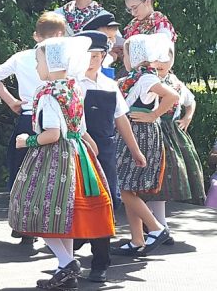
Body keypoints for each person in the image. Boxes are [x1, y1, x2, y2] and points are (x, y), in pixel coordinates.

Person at [9, 36, 115, 290]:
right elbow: (79, 126)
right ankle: (64, 270)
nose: (36, 67)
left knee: (37, 210)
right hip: (78, 153)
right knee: (65, 216)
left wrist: (27, 141)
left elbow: (52, 134)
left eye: (39, 61)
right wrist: (89, 143)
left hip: (54, 156)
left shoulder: (48, 94)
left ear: (52, 62)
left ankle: (67, 263)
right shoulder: (74, 87)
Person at [0, 11, 65, 244]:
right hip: (55, 120)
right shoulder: (63, 57)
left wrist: (11, 102)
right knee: (52, 171)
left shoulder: (22, 57)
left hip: (28, 117)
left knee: (21, 169)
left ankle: (23, 223)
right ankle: (48, 224)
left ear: (35, 35)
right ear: (61, 34)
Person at [74, 30, 147, 282]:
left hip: (105, 149)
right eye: (88, 55)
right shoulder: (71, 83)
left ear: (104, 56)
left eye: (97, 55)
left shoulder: (109, 84)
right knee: (78, 201)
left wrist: (135, 150)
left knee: (108, 202)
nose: (92, 60)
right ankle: (74, 247)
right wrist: (84, 137)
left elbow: (121, 118)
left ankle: (100, 262)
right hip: (77, 149)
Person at [112, 33, 178, 257]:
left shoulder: (145, 77)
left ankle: (157, 229)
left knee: (124, 186)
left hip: (140, 132)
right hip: (131, 130)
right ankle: (137, 239)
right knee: (128, 187)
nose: (124, 58)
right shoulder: (134, 78)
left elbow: (171, 96)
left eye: (127, 53)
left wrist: (153, 115)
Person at [139, 43, 205, 240]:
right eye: (156, 58)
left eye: (165, 59)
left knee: (163, 181)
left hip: (169, 133)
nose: (160, 63)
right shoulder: (145, 79)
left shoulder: (174, 81)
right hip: (147, 132)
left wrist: (187, 118)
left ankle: (159, 225)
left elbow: (190, 101)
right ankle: (154, 224)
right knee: (150, 180)